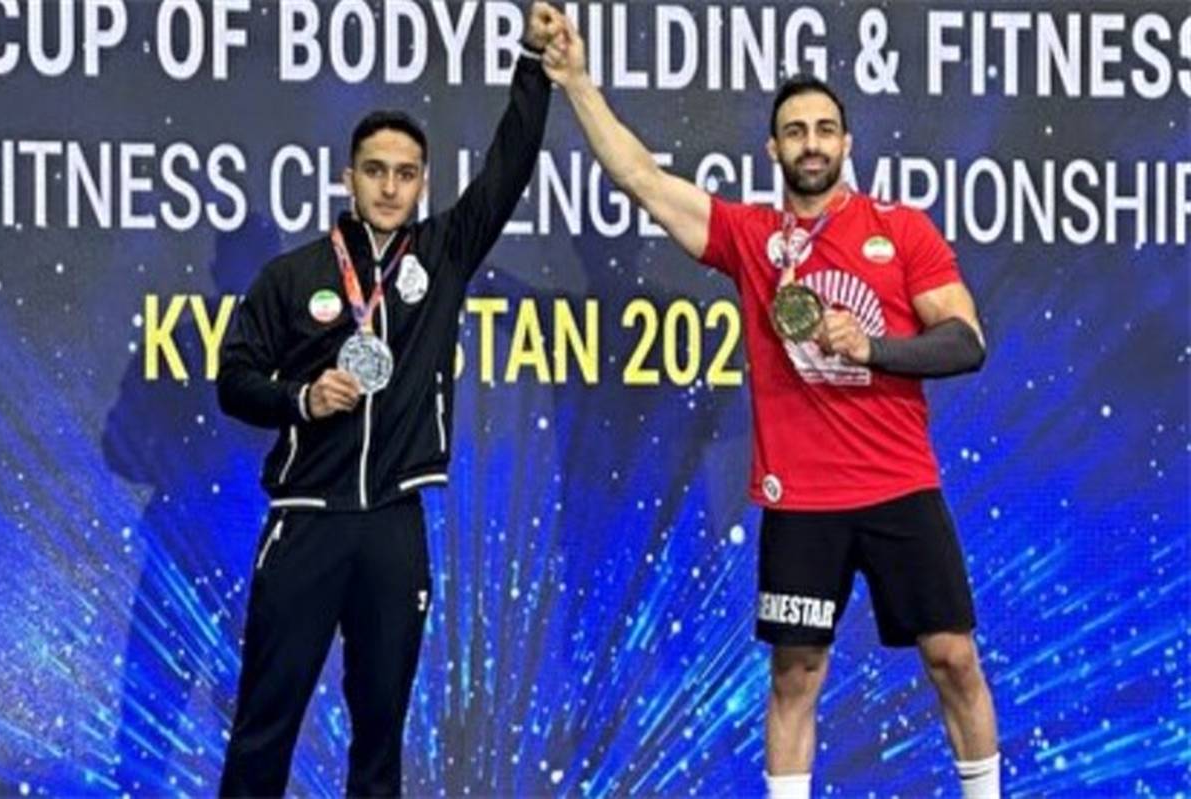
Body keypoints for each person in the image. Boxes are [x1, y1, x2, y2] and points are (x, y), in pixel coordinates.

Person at [540, 22, 1001, 799]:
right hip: (802, 499)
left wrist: (874, 347)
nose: (810, 143)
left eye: (823, 129)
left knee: (954, 657)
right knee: (795, 673)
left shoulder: (900, 230)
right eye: (795, 131)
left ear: (846, 143)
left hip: (899, 486)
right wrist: (578, 82)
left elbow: (966, 340)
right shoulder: (752, 238)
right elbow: (642, 179)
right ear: (773, 149)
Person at [214, 4, 564, 794]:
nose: (389, 186)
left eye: (405, 173)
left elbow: (509, 164)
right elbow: (234, 381)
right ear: (350, 177)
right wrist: (303, 397)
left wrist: (533, 64)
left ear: (422, 183)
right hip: (305, 518)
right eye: (375, 170)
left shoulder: (443, 254)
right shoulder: (292, 276)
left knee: (381, 730)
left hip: (393, 526)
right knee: (266, 720)